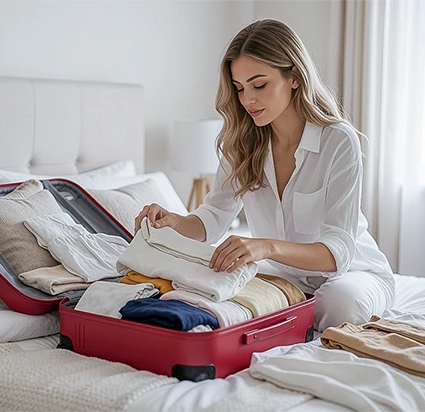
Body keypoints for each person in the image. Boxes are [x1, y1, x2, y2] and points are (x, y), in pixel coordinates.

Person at [134, 19, 394, 331]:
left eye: (259, 85)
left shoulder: (338, 140)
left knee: (337, 305)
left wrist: (265, 247)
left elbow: (337, 252)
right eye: (239, 88)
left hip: (354, 272)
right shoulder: (241, 144)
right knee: (214, 294)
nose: (248, 100)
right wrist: (174, 222)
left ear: (294, 77)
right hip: (283, 275)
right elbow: (213, 218)